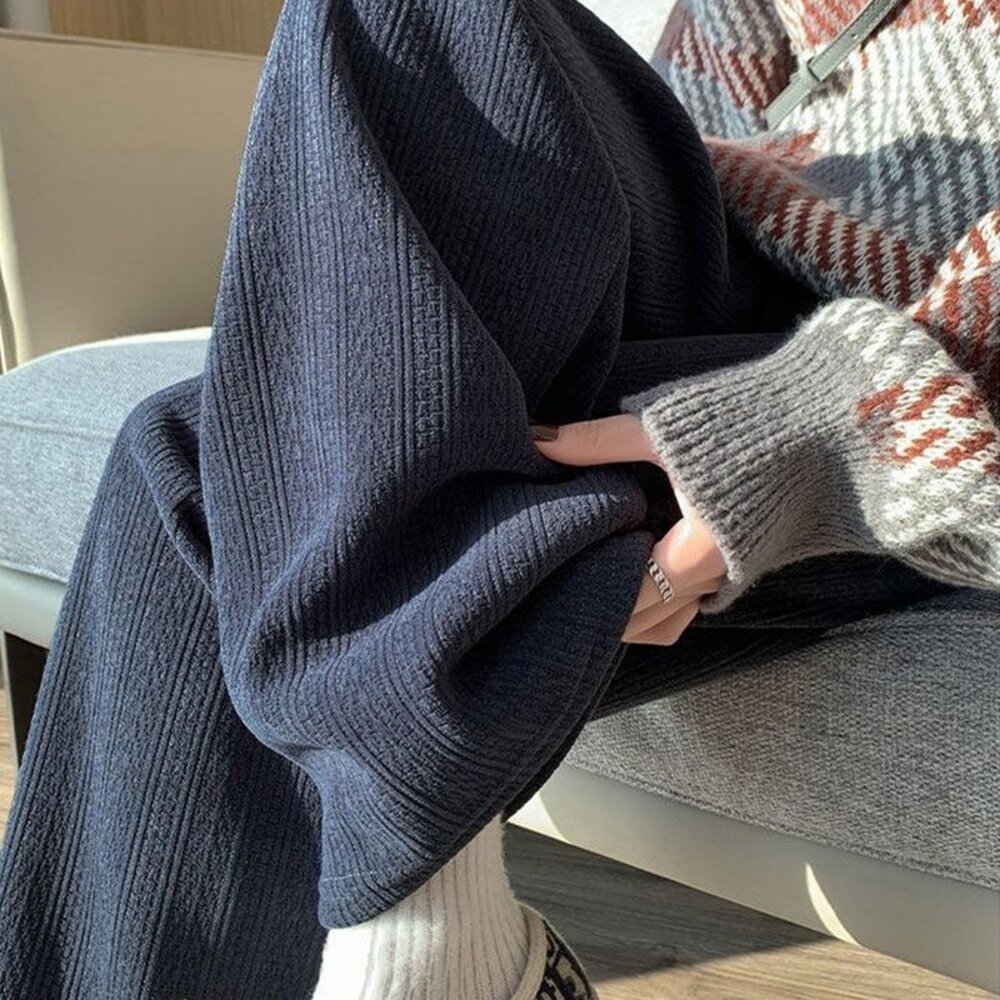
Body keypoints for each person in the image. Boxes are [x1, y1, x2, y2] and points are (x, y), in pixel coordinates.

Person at [0, 1, 996, 998]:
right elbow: (686, 121)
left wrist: (820, 425)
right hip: (725, 267)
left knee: (198, 466)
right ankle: (433, 941)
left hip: (925, 364)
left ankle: (428, 942)